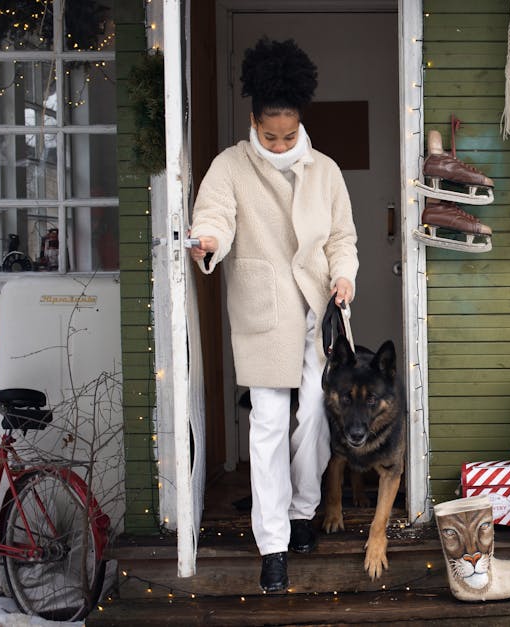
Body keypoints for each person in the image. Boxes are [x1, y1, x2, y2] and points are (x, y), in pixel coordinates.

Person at [187, 38, 358, 593]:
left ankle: (304, 510)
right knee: (265, 426)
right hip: (265, 311)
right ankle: (274, 544)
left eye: (288, 134)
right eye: (269, 134)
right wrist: (207, 240)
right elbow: (216, 214)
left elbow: (341, 237)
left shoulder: (325, 170)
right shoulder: (230, 166)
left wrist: (345, 274)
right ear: (253, 120)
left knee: (312, 413)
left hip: (317, 311)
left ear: (300, 122)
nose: (280, 142)